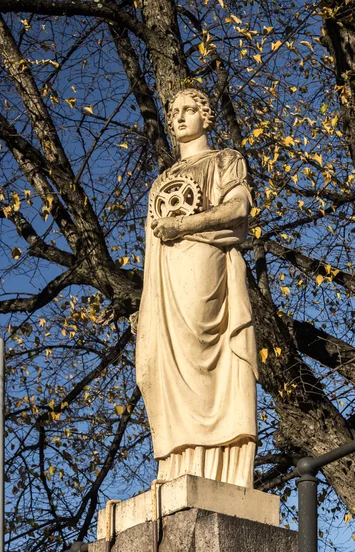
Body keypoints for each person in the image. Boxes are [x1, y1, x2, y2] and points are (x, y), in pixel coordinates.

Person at [136, 88, 258, 488]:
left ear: (207, 116)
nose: (180, 117)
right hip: (166, 280)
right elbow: (153, 247)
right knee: (155, 366)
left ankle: (220, 467)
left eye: (190, 109)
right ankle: (176, 464)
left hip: (205, 268)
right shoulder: (160, 183)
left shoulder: (225, 160)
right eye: (174, 113)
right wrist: (147, 302)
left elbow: (238, 210)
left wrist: (184, 226)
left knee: (205, 357)